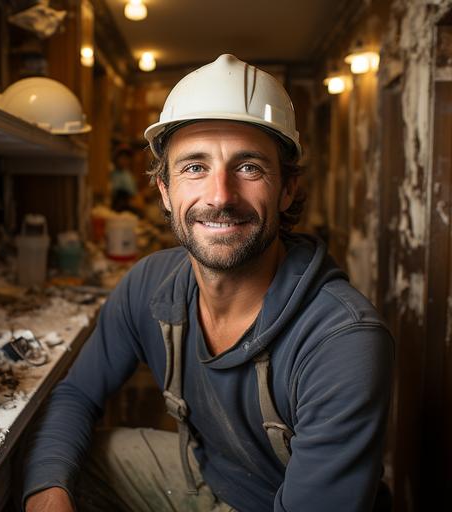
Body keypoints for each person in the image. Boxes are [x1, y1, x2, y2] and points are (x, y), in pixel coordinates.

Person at [23, 54, 393, 512]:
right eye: (194, 167)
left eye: (249, 167)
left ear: (287, 190)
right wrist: (48, 494)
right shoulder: (150, 284)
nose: (220, 196)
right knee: (70, 461)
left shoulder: (341, 341)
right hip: (206, 481)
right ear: (165, 190)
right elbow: (77, 393)